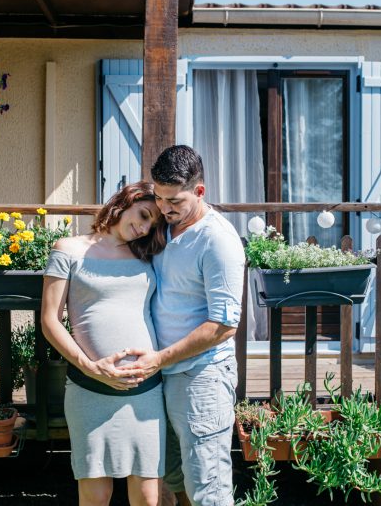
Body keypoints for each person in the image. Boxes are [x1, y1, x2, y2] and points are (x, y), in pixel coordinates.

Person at [122, 145, 245, 506]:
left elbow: (224, 325)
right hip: (164, 376)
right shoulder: (167, 229)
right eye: (159, 198)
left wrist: (160, 358)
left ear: (200, 192)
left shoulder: (217, 240)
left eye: (174, 200)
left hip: (202, 378)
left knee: (208, 488)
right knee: (176, 477)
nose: (164, 207)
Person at [40, 181, 168, 506]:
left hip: (146, 392)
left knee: (148, 498)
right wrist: (92, 368)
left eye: (150, 224)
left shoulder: (148, 256)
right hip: (89, 391)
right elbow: (50, 320)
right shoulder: (67, 249)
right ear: (126, 201)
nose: (142, 227)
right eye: (142, 214)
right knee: (96, 497)